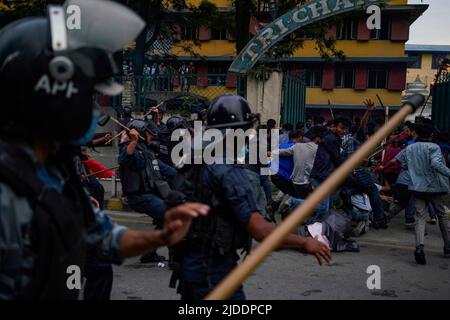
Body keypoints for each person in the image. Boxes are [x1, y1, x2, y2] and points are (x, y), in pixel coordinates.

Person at [0, 0, 209, 300]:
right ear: (49, 98)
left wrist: (162, 236)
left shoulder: (56, 174)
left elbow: (104, 237)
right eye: (85, 96)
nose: (91, 109)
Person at [170, 94, 332, 300]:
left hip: (188, 266)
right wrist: (304, 243)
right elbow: (260, 230)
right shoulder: (227, 169)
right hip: (214, 273)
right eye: (246, 129)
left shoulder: (192, 158)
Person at [119, 119, 179, 263]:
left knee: (162, 220)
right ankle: (175, 258)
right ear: (140, 135)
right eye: (149, 134)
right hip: (139, 196)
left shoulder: (147, 152)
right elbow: (125, 159)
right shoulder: (129, 149)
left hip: (150, 194)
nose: (152, 137)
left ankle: (149, 253)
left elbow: (168, 170)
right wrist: (133, 141)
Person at [401, 124, 450, 264]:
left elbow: (405, 165)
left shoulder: (409, 148)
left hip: (417, 187)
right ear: (431, 135)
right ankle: (447, 246)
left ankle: (419, 248)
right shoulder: (434, 147)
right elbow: (436, 164)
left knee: (420, 217)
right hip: (434, 188)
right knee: (441, 215)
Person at [341, 99, 388, 229]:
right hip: (355, 171)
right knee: (373, 190)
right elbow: (363, 125)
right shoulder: (359, 137)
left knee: (360, 189)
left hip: (347, 172)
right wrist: (368, 112)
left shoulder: (350, 140)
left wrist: (366, 161)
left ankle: (348, 192)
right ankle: (379, 220)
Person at [310, 117, 350, 216]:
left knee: (327, 205)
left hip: (322, 174)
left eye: (345, 129)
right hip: (321, 175)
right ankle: (292, 202)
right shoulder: (332, 139)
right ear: (334, 127)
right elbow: (337, 159)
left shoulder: (332, 137)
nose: (343, 131)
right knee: (324, 207)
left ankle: (320, 223)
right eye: (341, 128)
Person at [279, 126, 328, 200]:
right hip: (307, 182)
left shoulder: (297, 146)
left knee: (301, 199)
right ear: (317, 138)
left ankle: (290, 202)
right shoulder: (318, 149)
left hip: (295, 181)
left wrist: (271, 152)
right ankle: (290, 202)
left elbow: (283, 152)